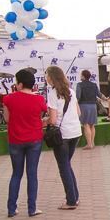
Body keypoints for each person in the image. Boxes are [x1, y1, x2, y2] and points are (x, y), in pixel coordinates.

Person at [2, 69, 47, 217]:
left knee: (16, 174)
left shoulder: (8, 99)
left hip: (15, 139)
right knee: (32, 174)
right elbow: (40, 116)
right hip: (34, 139)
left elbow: (7, 119)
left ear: (20, 84)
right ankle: (32, 208)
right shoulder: (40, 99)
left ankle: (11, 208)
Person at [46, 66, 82, 210]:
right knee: (67, 164)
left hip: (62, 134)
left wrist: (46, 120)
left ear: (52, 77)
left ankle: (71, 200)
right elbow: (78, 112)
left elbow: (53, 120)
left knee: (64, 167)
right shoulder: (71, 92)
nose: (46, 78)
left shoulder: (53, 94)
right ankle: (75, 196)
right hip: (75, 132)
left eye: (47, 75)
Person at [76, 69, 100, 150]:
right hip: (93, 106)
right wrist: (106, 98)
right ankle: (92, 143)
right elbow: (99, 94)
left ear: (83, 76)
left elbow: (78, 97)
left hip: (84, 106)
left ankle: (89, 144)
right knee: (92, 125)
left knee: (85, 124)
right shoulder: (94, 84)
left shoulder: (79, 85)